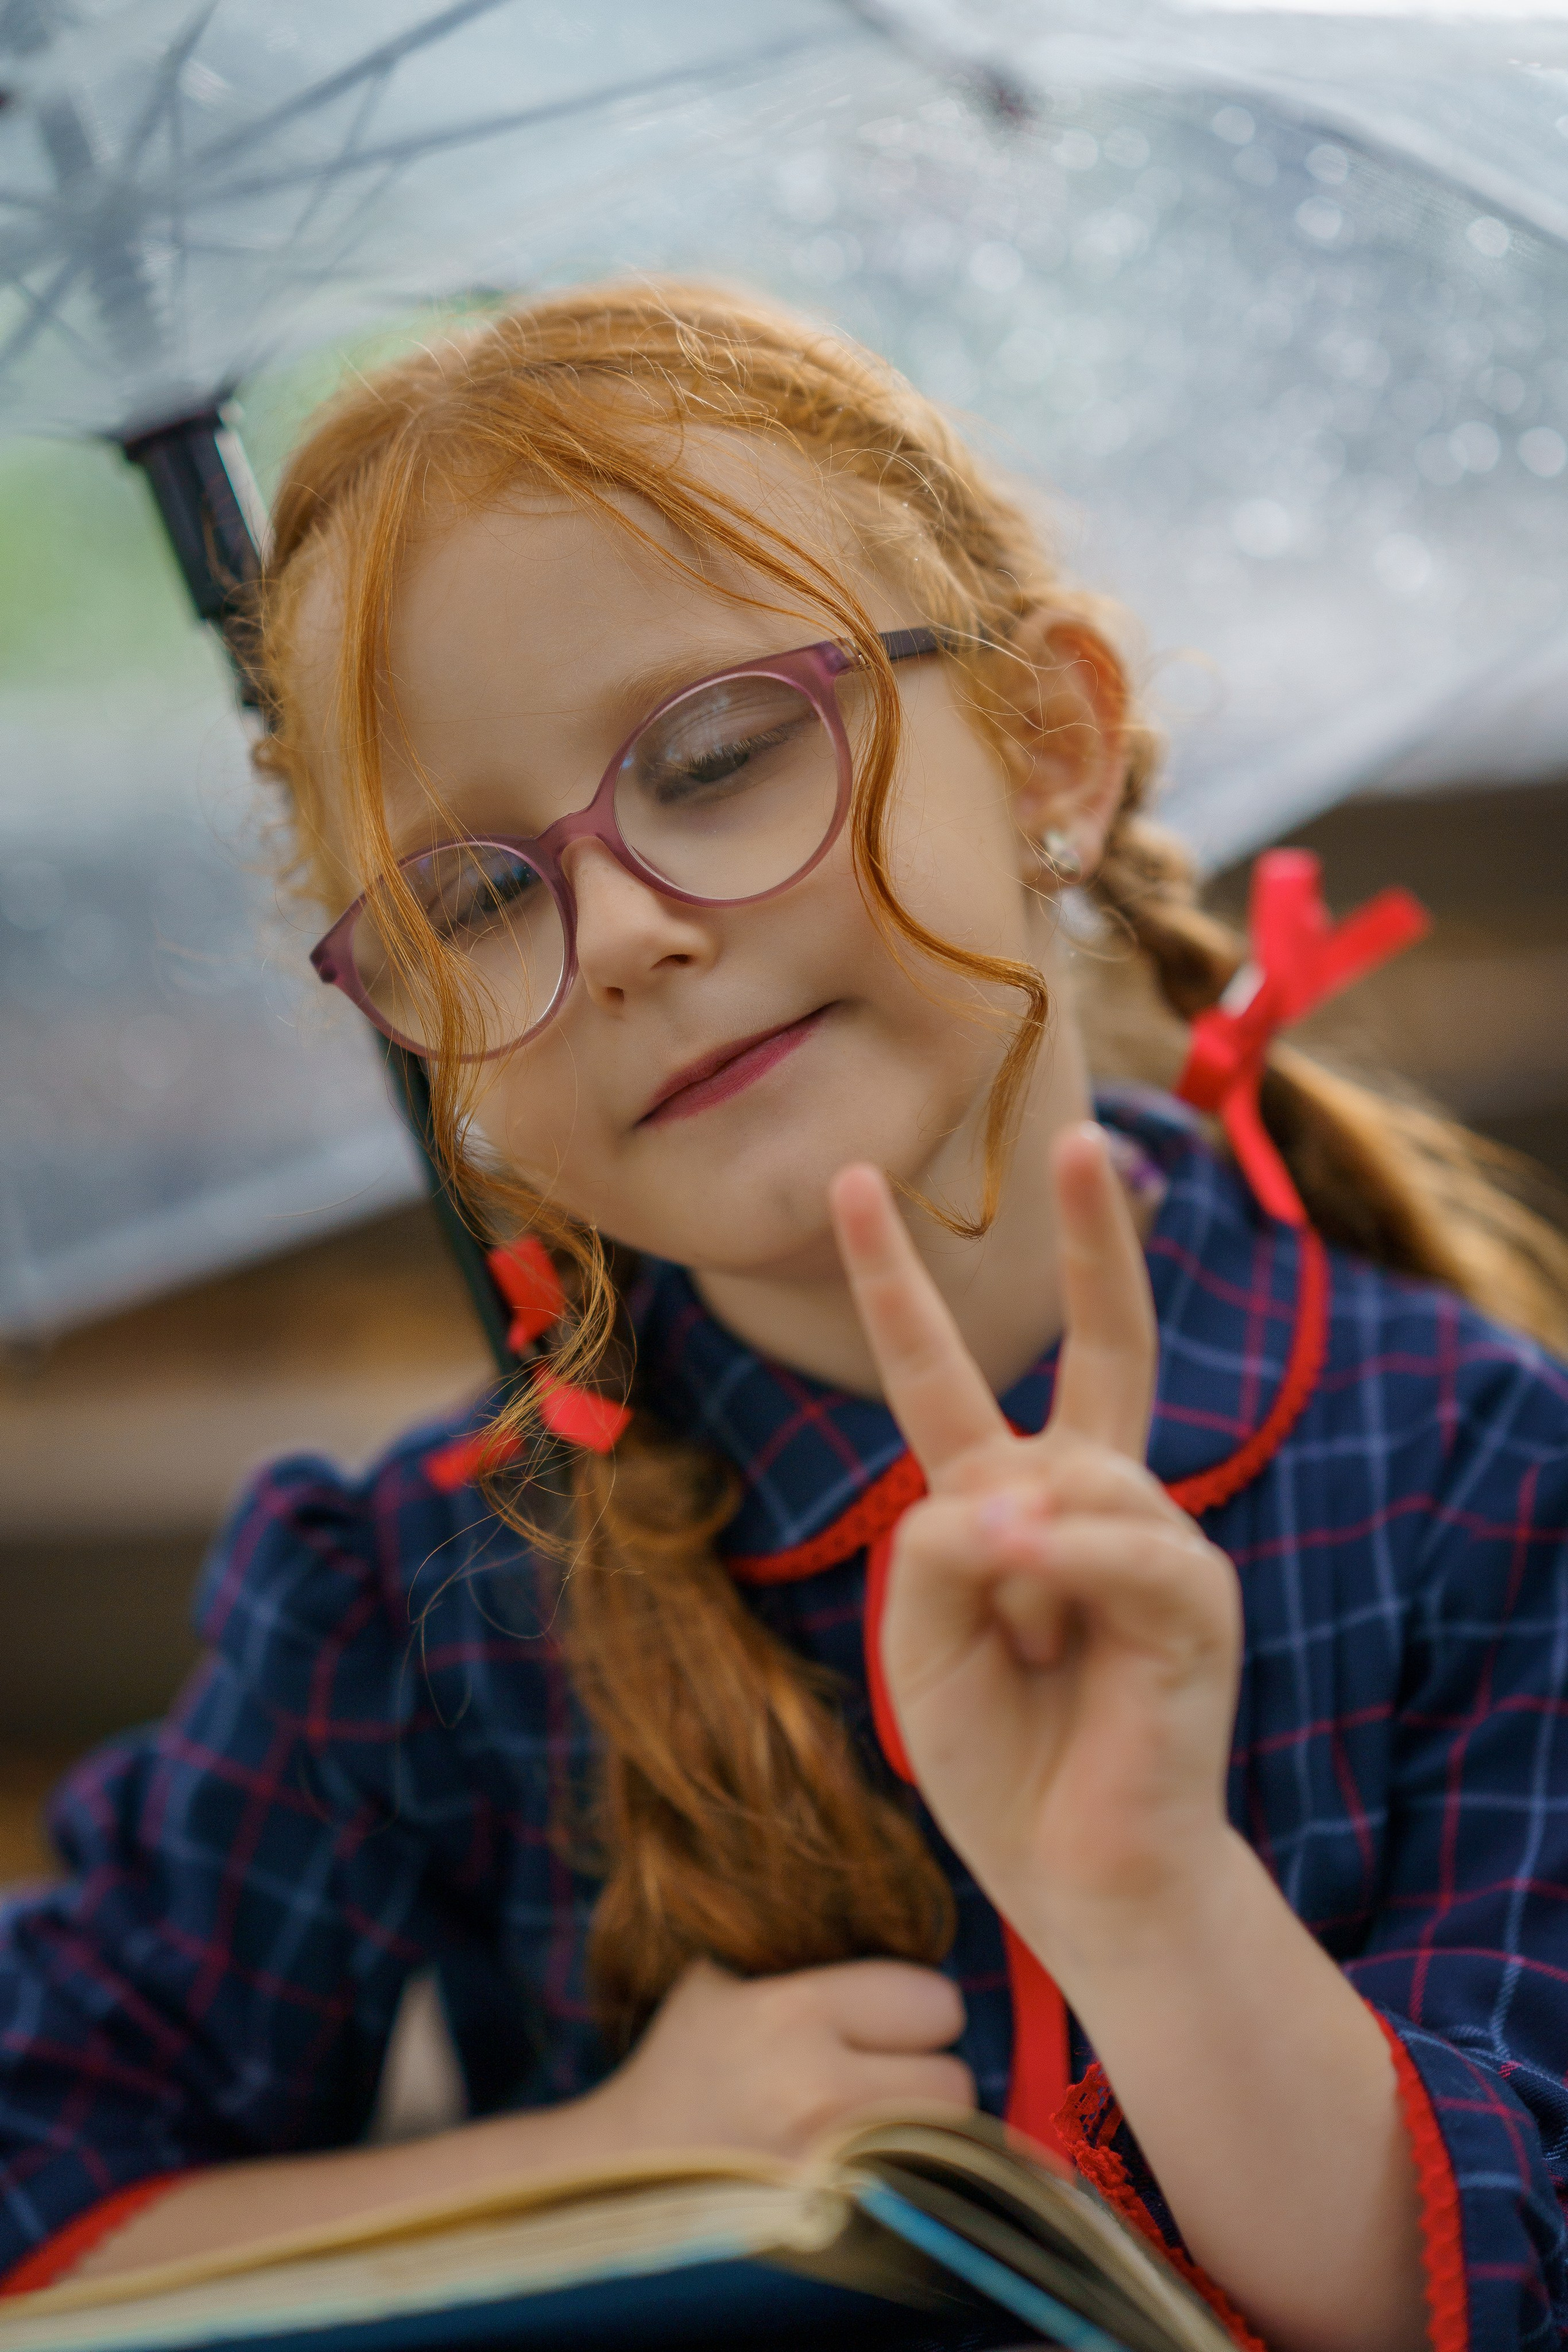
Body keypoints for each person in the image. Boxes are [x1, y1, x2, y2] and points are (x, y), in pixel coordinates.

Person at [1, 283, 1566, 2352]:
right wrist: (609, 2160)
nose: (628, 927)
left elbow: (1482, 2297)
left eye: (723, 757)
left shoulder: (1476, 1481)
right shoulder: (409, 1604)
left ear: (1050, 746)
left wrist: (1154, 1907)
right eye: (478, 899)